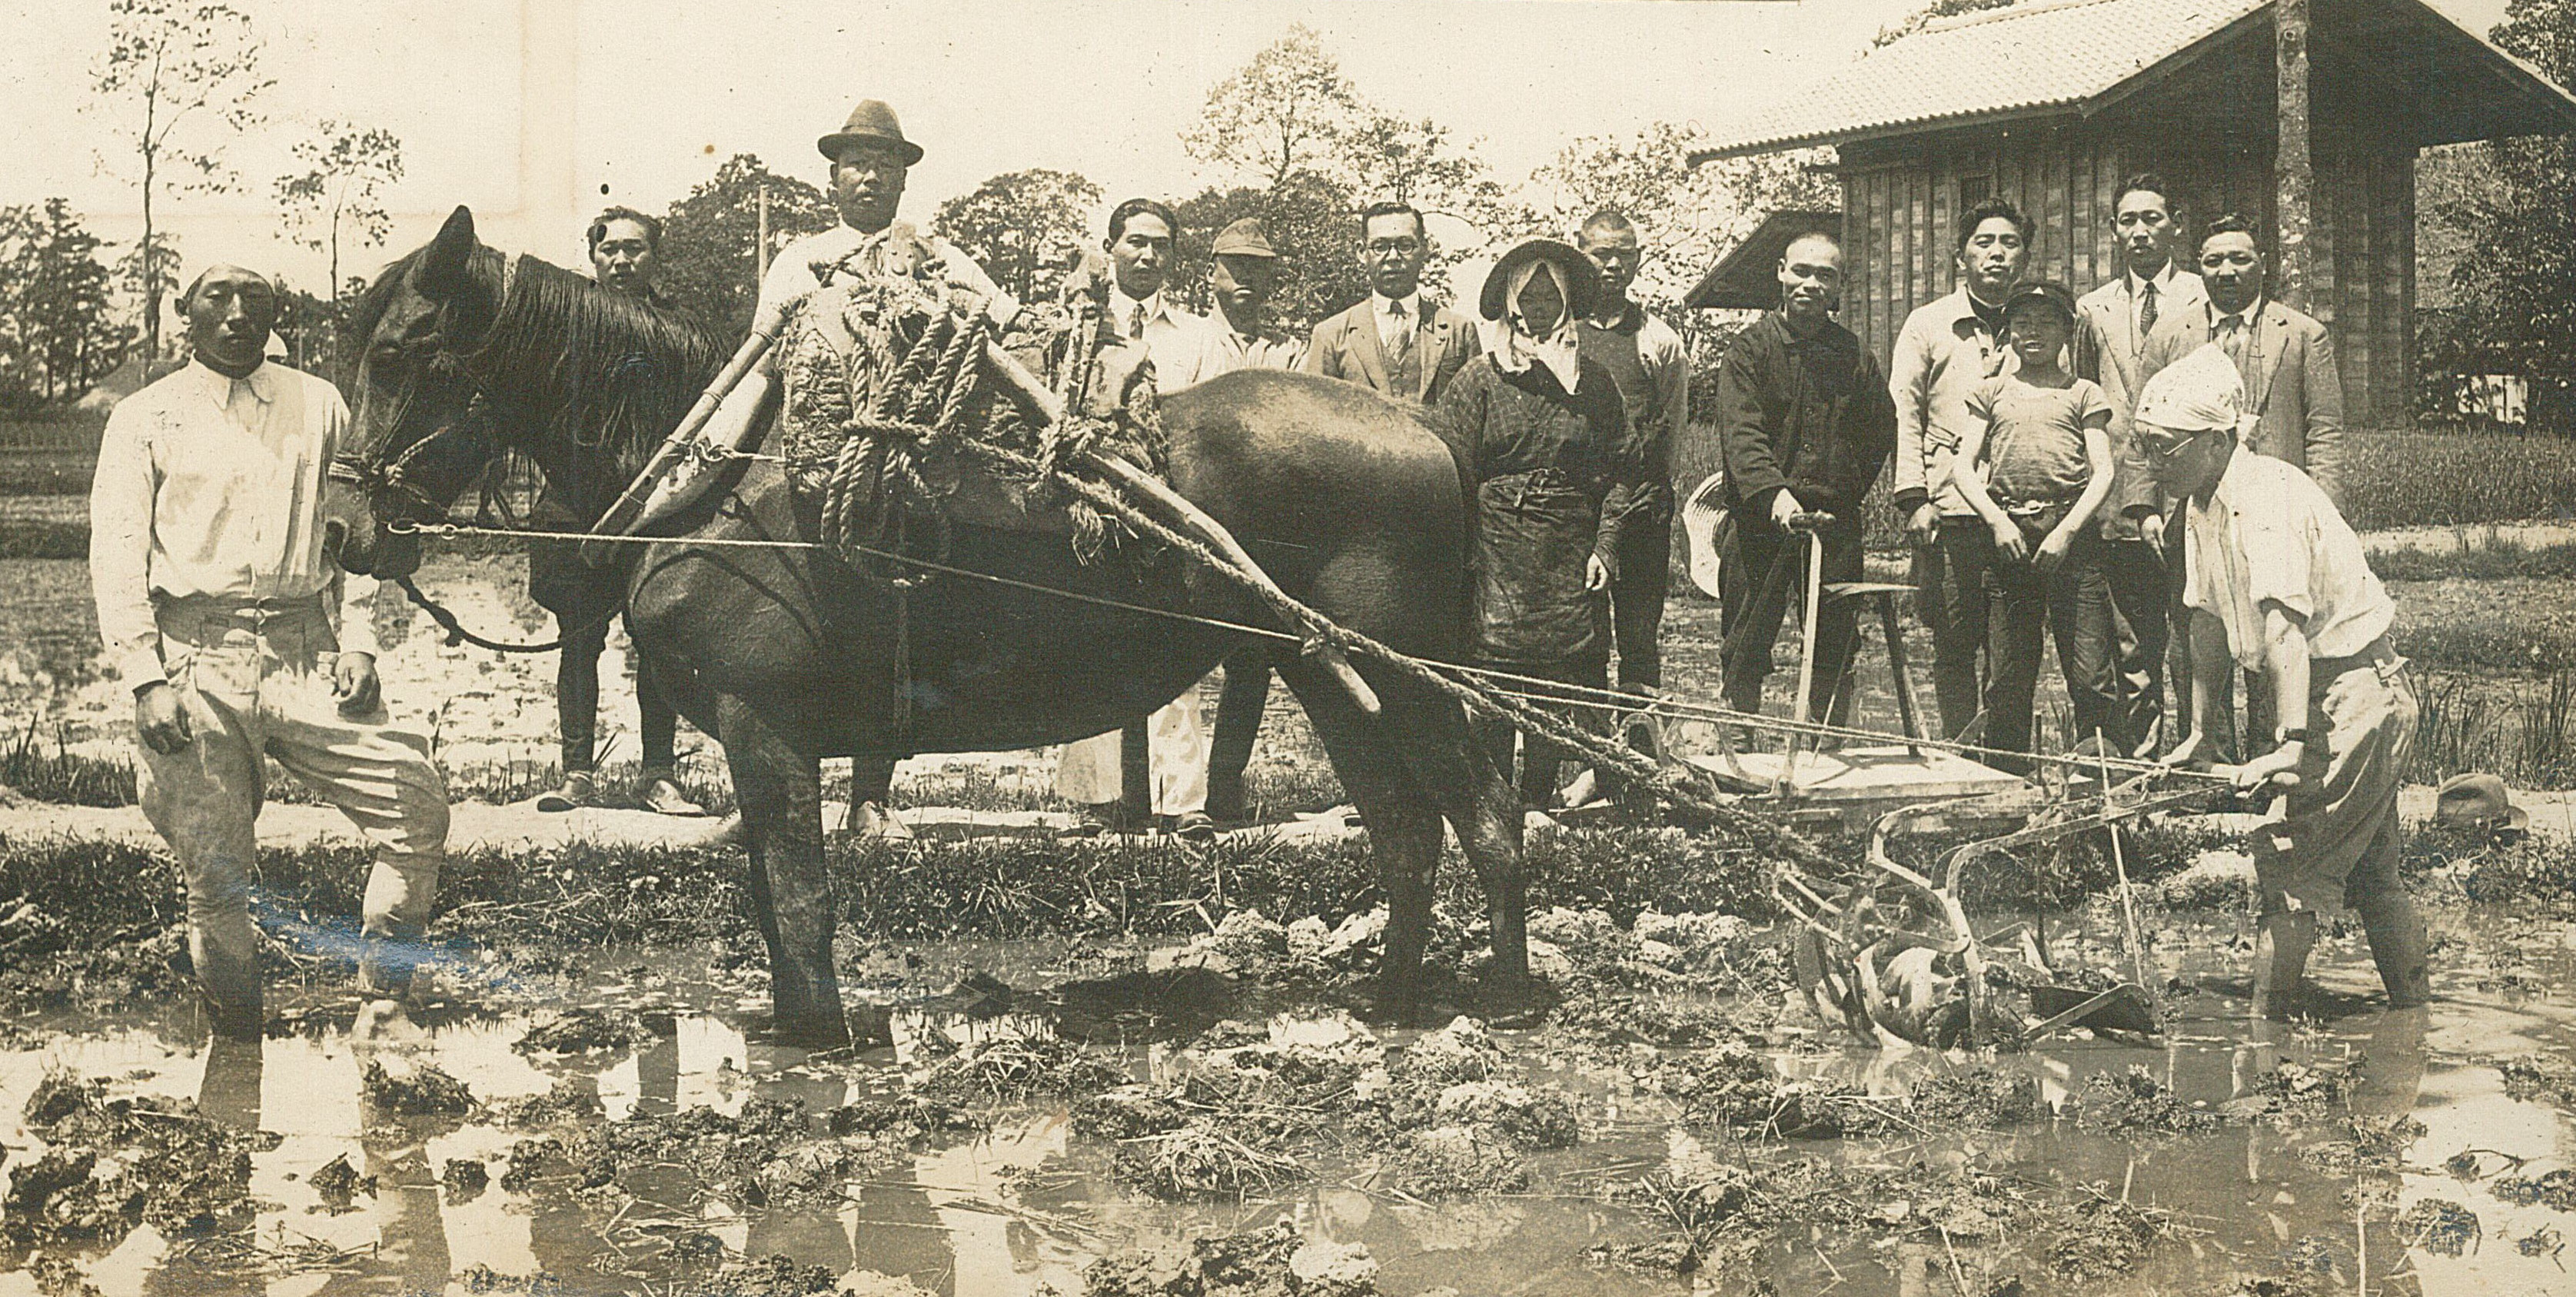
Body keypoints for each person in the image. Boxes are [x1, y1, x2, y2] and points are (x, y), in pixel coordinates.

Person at [90, 263, 451, 1039]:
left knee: (415, 803)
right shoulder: (146, 416)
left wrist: (360, 643)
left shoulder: (318, 404)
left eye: (255, 298)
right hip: (195, 656)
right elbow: (116, 552)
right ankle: (236, 1043)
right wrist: (144, 677)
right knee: (216, 871)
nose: (236, 313)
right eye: (216, 297)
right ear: (183, 313)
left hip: (306, 650)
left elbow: (358, 532)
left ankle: (384, 1005)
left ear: (275, 314)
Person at [692, 99, 1022, 839]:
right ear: (833, 179)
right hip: (802, 474)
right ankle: (768, 801)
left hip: (900, 474)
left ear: (904, 181)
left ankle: (871, 797)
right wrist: (721, 448)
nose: (869, 178)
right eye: (855, 165)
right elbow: (757, 364)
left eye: (884, 165)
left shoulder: (940, 258)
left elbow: (1001, 326)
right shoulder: (799, 260)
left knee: (885, 627)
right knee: (778, 634)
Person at [2139, 344, 2428, 1020]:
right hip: (2322, 687)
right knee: (2373, 874)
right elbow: (2205, 620)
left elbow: (2282, 633)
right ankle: (2412, 1020)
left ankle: (2263, 1043)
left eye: (2164, 446)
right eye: (2146, 445)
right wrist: (2202, 733)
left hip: (2352, 690)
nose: (2153, 461)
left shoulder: (2265, 496)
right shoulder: (2201, 502)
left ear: (2213, 440)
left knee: (2286, 868)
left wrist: (2290, 744)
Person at [2140, 214, 2346, 760]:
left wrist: (2324, 509)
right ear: (2197, 267)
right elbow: (2143, 429)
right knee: (2200, 637)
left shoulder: (2302, 334)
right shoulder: (2170, 332)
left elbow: (2323, 430)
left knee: (2276, 636)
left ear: (2263, 265)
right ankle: (2205, 758)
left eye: (2239, 259)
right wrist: (2149, 509)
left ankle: (2271, 758)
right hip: (2196, 509)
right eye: (2212, 260)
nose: (2226, 271)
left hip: (2274, 512)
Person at [1441, 238, 1634, 809]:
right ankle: (1494, 802)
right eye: (1530, 295)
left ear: (1569, 301)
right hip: (1497, 551)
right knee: (1495, 680)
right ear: (1509, 303)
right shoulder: (1480, 379)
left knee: (1557, 679)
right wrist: (1467, 555)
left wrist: (1606, 546)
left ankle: (1539, 797)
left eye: (1553, 295)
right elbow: (1452, 470)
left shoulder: (1594, 383)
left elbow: (1624, 471)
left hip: (1569, 553)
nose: (1541, 306)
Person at [1054, 198, 1222, 839]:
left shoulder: (1196, 335)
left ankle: (1181, 802)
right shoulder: (1077, 323)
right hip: (1093, 507)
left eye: (1160, 246)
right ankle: (1098, 802)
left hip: (1172, 509)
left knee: (1173, 650)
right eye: (1134, 243)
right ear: (1110, 246)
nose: (1147, 256)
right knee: (1089, 642)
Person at [531, 207, 703, 814]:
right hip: (576, 508)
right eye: (610, 250)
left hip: (654, 511)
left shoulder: (678, 331)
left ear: (655, 258)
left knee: (656, 642)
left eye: (636, 250)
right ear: (592, 258)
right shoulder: (559, 326)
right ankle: (575, 772)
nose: (622, 261)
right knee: (578, 640)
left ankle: (658, 775)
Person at [1710, 230, 1896, 721]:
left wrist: (1842, 492)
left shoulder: (1856, 355)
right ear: (1781, 272)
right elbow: (1741, 435)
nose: (1811, 284)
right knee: (1746, 638)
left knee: (1834, 643)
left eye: (1825, 275)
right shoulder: (1748, 351)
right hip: (1759, 524)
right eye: (1802, 271)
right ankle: (1740, 740)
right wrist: (1776, 497)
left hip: (1833, 528)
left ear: (1840, 287)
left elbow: (1880, 431)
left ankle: (1827, 743)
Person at [1949, 281, 2117, 771]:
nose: (2034, 332)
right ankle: (2005, 777)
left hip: (2072, 545)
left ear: (2068, 330)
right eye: (2022, 322)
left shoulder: (2083, 393)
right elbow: (1963, 466)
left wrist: (2067, 531)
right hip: (2010, 544)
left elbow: (2103, 470)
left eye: (2047, 322)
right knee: (2006, 673)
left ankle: (2098, 781)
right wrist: (1998, 522)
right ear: (2007, 332)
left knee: (2090, 673)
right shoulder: (1991, 391)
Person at [2074, 174, 2207, 757]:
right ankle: (2143, 756)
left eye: (2151, 218)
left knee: (2197, 628)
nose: (2139, 232)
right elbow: (2082, 394)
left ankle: (2205, 750)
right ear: (2113, 232)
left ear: (2175, 225)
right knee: (2132, 638)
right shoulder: (2092, 308)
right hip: (2119, 501)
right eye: (2127, 221)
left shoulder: (2203, 296)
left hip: (2188, 492)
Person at [1890, 198, 2031, 742]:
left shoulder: (2041, 326)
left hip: (2019, 514)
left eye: (2009, 243)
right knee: (1952, 643)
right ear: (1960, 257)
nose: (1996, 254)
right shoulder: (1928, 325)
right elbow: (1903, 411)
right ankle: (1955, 754)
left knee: (2012, 650)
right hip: (1949, 513)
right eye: (1983, 242)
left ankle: (2007, 762)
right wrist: (1913, 498)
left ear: (2024, 256)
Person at [1198, 216, 1305, 825]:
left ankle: (1223, 786)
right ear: (1210, 274)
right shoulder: (1189, 341)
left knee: (1251, 660)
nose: (1245, 279)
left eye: (1257, 269)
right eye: (1235, 266)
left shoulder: (1285, 351)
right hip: (1189, 516)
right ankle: (1152, 796)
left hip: (1259, 525)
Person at [1574, 211, 1691, 697]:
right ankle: (1591, 761)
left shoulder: (1659, 340)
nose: (1613, 265)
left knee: (1640, 643)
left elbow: (1674, 427)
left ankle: (1639, 761)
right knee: (1584, 643)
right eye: (1602, 254)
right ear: (1581, 254)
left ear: (1639, 261)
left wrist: (1659, 495)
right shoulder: (1559, 334)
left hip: (1643, 513)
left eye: (1625, 254)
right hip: (1579, 512)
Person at [1301, 201, 1481, 404]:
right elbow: (1316, 418)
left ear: (1424, 249)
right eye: (1380, 247)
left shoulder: (1459, 331)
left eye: (1405, 246)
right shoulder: (1331, 335)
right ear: (1362, 252)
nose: (1393, 257)